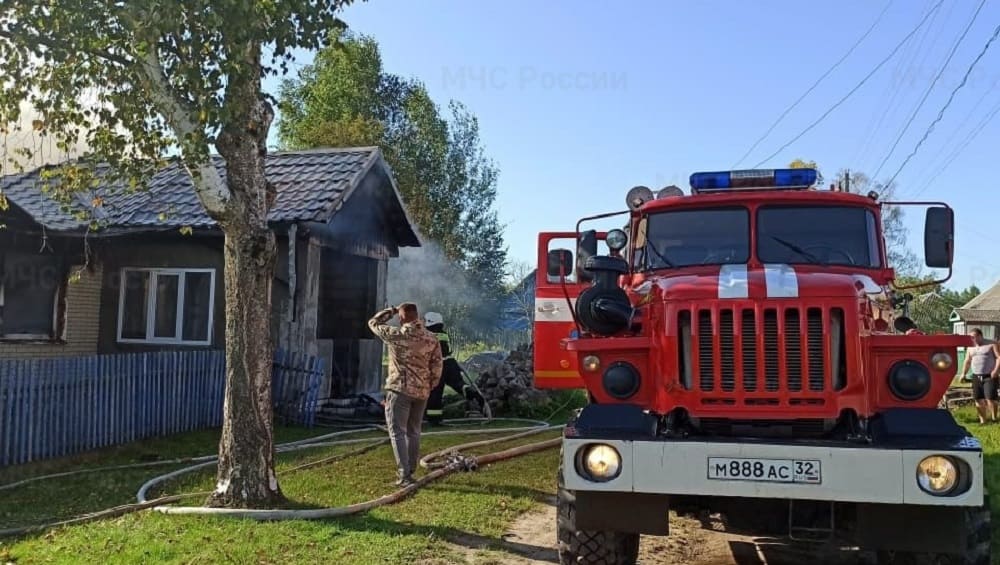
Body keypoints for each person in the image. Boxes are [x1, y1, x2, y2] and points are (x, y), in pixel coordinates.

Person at [368, 302, 443, 486]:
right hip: (422, 392)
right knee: (414, 431)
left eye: (399, 315)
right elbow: (437, 365)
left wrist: (390, 311)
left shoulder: (396, 335)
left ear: (401, 317)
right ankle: (411, 469)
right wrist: (429, 385)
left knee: (398, 432)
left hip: (399, 390)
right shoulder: (431, 338)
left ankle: (404, 475)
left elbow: (373, 323)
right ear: (417, 316)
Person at [422, 312, 485, 425]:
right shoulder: (444, 334)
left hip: (438, 365)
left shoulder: (428, 335)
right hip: (451, 363)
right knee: (459, 384)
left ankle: (434, 419)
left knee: (435, 392)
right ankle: (473, 395)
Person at [961, 328, 1000, 424]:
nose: (972, 339)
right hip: (976, 375)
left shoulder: (991, 344)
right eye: (970, 337)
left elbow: (999, 357)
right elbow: (967, 361)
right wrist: (963, 374)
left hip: (989, 375)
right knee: (978, 399)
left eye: (973, 337)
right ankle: (983, 421)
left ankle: (994, 418)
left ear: (980, 336)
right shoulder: (970, 347)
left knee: (990, 398)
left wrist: (995, 371)